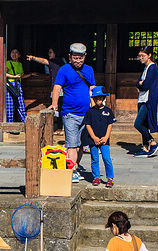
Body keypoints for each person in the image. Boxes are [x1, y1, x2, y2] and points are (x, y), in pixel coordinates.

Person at [48, 43, 95, 183]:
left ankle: (74, 165)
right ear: (70, 56)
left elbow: (92, 88)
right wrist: (55, 104)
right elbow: (57, 87)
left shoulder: (89, 70)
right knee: (72, 144)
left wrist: (94, 107)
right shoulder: (64, 70)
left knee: (81, 144)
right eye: (75, 57)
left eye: (80, 58)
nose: (78, 61)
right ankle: (72, 170)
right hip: (70, 113)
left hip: (86, 113)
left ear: (85, 57)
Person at [81, 86, 115, 187]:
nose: (98, 100)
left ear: (103, 98)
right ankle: (96, 177)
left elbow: (110, 124)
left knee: (106, 158)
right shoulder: (90, 112)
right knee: (94, 158)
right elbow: (88, 125)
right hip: (93, 140)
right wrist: (94, 137)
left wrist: (106, 137)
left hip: (104, 139)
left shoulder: (108, 111)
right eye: (96, 98)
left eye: (100, 98)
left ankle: (110, 177)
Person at [27, 48, 65, 130]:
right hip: (60, 89)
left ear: (55, 54)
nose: (49, 54)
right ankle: (59, 128)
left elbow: (44, 61)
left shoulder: (55, 62)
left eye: (51, 52)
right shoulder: (61, 63)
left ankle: (59, 129)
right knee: (59, 109)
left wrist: (33, 58)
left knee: (57, 108)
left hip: (58, 89)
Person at [134, 46, 158, 157]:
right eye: (139, 56)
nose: (141, 58)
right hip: (142, 98)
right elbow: (138, 82)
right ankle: (145, 148)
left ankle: (152, 142)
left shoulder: (152, 67)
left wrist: (140, 83)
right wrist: (139, 83)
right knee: (144, 124)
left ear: (149, 55)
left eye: (143, 56)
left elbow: (144, 85)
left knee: (138, 123)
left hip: (147, 100)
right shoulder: (146, 68)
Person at [5, 48, 28, 123]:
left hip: (18, 85)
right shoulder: (8, 63)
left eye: (16, 52)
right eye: (12, 52)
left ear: (19, 55)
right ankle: (10, 125)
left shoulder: (20, 64)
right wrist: (14, 77)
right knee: (10, 106)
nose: (14, 54)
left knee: (21, 105)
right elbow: (3, 73)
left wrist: (30, 74)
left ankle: (25, 122)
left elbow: (21, 76)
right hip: (10, 85)